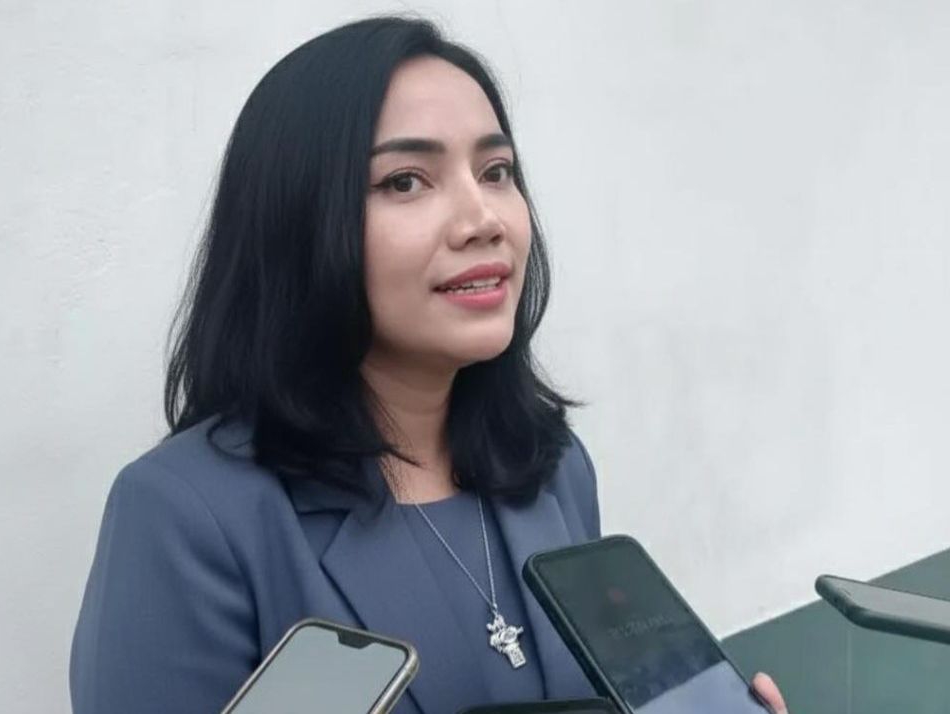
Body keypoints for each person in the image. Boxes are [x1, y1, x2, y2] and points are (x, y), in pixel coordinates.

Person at [69, 16, 789, 714]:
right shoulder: (185, 518)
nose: (483, 220)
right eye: (406, 181)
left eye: (496, 171)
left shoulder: (555, 467)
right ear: (298, 221)